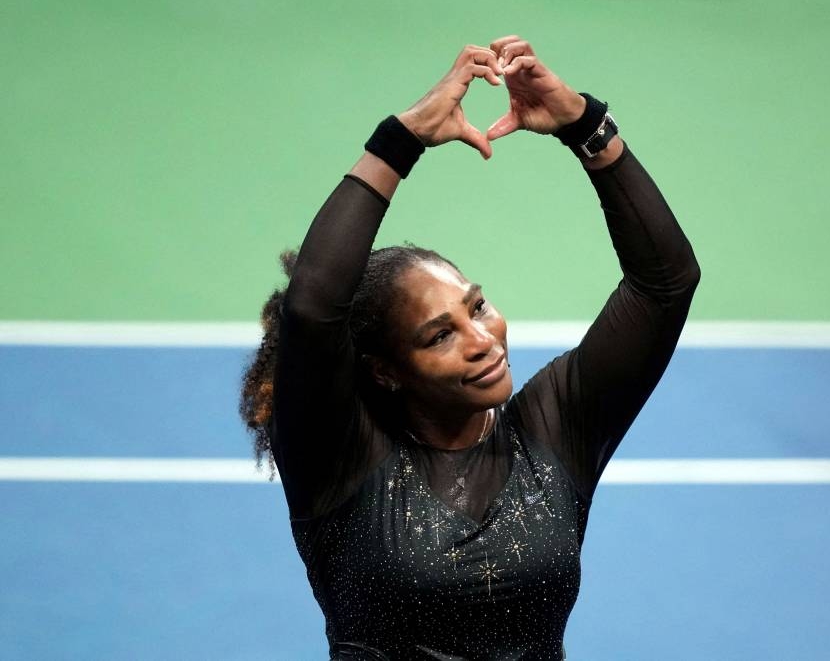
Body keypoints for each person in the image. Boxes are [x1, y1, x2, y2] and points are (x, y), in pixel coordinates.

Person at [240, 35, 699, 661]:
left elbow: (666, 283)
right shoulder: (338, 457)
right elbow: (314, 308)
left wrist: (586, 126)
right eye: (440, 335)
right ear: (386, 370)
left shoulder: (555, 428)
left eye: (476, 306)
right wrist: (396, 144)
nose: (482, 340)